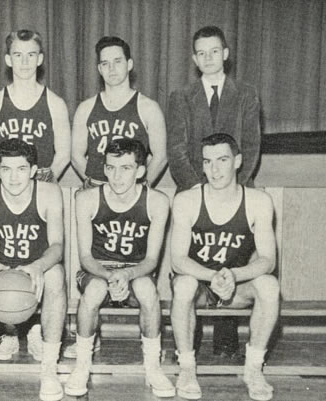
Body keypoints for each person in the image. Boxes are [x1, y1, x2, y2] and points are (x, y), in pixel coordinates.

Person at [0, 28, 71, 361]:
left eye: (31, 55)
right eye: (18, 54)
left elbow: (64, 153)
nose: (25, 61)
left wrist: (40, 181)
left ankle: (38, 327)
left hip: (39, 184)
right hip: (6, 184)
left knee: (46, 258)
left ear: (40, 59)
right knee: (1, 255)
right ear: (7, 59)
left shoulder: (54, 103)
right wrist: (5, 183)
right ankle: (9, 331)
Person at [167, 25, 262, 359]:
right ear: (194, 58)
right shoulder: (181, 97)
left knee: (230, 256)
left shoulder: (246, 93)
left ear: (225, 53)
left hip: (234, 191)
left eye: (214, 51)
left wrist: (231, 186)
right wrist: (199, 189)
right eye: (201, 53)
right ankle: (187, 337)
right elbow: (176, 148)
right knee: (194, 260)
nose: (208, 58)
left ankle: (226, 331)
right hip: (195, 192)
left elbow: (250, 146)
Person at [170, 133, 278, 400]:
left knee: (269, 285)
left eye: (222, 160)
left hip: (237, 285)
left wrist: (235, 274)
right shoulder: (186, 201)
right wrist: (212, 275)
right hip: (200, 285)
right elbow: (177, 259)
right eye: (207, 162)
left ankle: (253, 368)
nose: (214, 170)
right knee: (183, 284)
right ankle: (186, 368)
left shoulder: (258, 201)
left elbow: (268, 260)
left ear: (238, 161)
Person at [64, 138, 174, 398]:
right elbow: (85, 257)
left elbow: (151, 261)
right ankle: (82, 365)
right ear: (103, 169)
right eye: (111, 167)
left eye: (125, 168)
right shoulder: (86, 198)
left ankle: (153, 366)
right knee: (93, 292)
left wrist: (126, 274)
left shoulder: (157, 201)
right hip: (97, 269)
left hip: (137, 270)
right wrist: (111, 275)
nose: (117, 176)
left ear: (141, 171)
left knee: (148, 291)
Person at [0, 139, 66, 401]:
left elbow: (57, 246)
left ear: (33, 170)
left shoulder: (48, 193)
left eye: (21, 169)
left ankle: (49, 369)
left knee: (56, 274)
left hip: (35, 269)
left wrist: (39, 265)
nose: (13, 177)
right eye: (6, 169)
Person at [71, 36, 167, 189]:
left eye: (117, 61)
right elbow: (76, 156)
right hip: (97, 189)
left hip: (132, 191)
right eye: (105, 63)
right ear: (99, 69)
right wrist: (94, 184)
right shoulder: (85, 108)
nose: (111, 69)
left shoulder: (148, 108)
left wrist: (143, 187)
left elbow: (160, 156)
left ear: (129, 64)